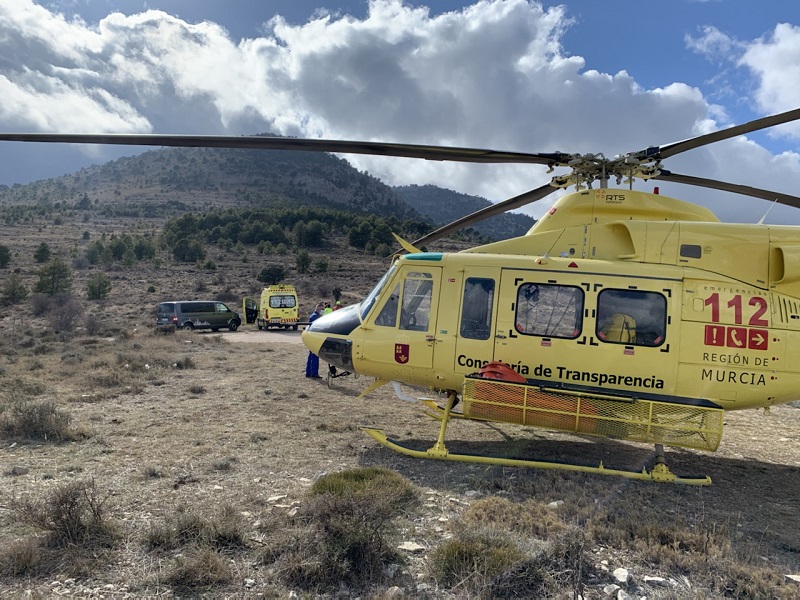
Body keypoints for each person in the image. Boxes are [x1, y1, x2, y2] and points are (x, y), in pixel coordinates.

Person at [305, 302, 324, 378]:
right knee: (315, 356)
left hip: (311, 337)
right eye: (322, 309)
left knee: (311, 356)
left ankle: (308, 372)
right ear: (318, 308)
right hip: (314, 338)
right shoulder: (315, 316)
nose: (323, 310)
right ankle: (314, 373)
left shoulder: (314, 315)